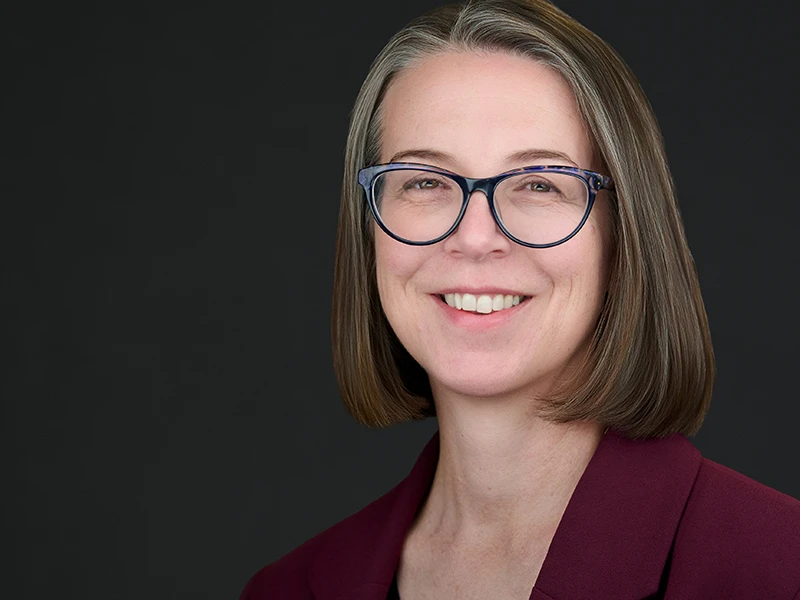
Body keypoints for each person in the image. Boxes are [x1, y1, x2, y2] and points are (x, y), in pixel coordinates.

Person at [241, 0, 800, 598]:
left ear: (622, 235)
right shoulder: (289, 590)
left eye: (538, 184)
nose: (475, 237)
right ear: (369, 228)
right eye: (425, 181)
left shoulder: (779, 567)